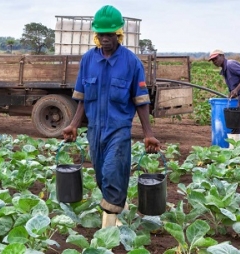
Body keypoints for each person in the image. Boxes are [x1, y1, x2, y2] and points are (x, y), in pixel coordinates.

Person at [62, 5, 160, 228]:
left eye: (110, 34)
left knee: (113, 172)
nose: (105, 39)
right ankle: (120, 209)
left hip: (119, 129)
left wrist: (148, 134)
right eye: (101, 34)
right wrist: (73, 125)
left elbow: (141, 102)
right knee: (101, 177)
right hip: (94, 130)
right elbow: (83, 97)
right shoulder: (88, 60)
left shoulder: (131, 62)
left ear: (119, 34)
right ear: (96, 35)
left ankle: (108, 229)